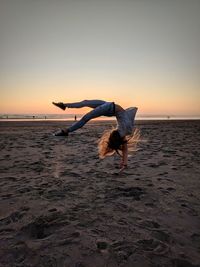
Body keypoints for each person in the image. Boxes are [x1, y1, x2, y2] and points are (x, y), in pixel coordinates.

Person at [52, 100, 139, 172]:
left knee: (86, 116)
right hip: (109, 106)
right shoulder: (123, 133)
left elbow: (125, 148)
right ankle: (64, 106)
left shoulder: (124, 133)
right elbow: (125, 148)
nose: (110, 134)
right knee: (85, 106)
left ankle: (66, 131)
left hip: (109, 108)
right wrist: (124, 163)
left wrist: (124, 163)